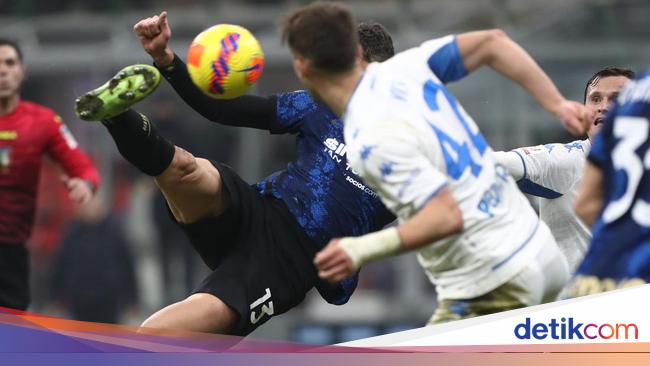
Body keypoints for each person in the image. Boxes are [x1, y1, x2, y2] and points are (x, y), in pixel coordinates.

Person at [72, 13, 396, 336]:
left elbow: (434, 218)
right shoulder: (320, 105)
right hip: (259, 206)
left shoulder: (411, 149)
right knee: (186, 168)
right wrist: (166, 59)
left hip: (288, 262)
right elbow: (221, 109)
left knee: (158, 332)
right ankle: (116, 117)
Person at [282, 2, 592, 323]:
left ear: (302, 66)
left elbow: (445, 216)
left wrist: (359, 250)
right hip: (541, 253)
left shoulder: (370, 138)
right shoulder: (408, 66)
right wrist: (556, 104)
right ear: (354, 49)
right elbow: (493, 42)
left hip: (494, 280)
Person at [493, 67, 634, 273]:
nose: (603, 107)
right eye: (595, 99)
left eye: (616, 98)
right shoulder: (565, 162)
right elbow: (494, 163)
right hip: (582, 302)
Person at [0, 39, 100, 311]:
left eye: (9, 63)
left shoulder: (42, 122)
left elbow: (82, 166)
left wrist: (86, 184)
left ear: (22, 71)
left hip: (13, 250)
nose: (3, 71)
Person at [565, 67, 650, 297]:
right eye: (595, 99)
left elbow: (585, 205)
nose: (604, 106)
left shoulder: (634, 96)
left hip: (595, 276)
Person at [48, 194, 138, 323]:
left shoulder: (114, 231)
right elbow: (60, 265)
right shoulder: (72, 232)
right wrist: (54, 297)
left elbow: (127, 264)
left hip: (108, 298)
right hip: (80, 299)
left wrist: (132, 299)